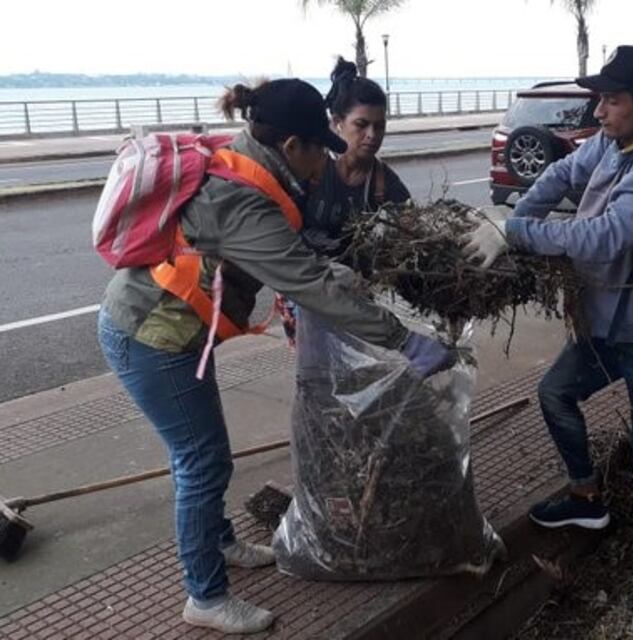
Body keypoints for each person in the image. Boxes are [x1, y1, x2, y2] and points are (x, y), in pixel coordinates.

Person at [97, 78, 452, 634]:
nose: (324, 164)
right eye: (321, 150)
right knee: (202, 462)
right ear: (293, 147)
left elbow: (288, 257)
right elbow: (307, 284)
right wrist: (403, 339)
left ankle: (219, 542)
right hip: (151, 338)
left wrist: (326, 270)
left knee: (202, 455)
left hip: (169, 332)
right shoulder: (241, 198)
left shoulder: (243, 164)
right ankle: (206, 597)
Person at [462, 45, 633, 601]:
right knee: (555, 393)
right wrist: (515, 218)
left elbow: (606, 235)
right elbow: (561, 174)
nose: (599, 111)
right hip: (606, 322)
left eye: (612, 101)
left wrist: (516, 235)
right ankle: (586, 498)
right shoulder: (613, 140)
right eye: (598, 99)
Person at [302, 57, 411, 259]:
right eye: (361, 124)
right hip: (305, 282)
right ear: (337, 122)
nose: (372, 134)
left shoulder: (386, 183)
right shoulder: (309, 168)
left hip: (356, 286)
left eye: (379, 126)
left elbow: (411, 230)